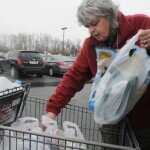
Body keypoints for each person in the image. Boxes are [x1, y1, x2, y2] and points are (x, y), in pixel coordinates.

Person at [46, 0, 150, 149]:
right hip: (110, 118)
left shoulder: (141, 24)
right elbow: (73, 77)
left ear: (109, 15)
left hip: (145, 118)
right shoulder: (91, 45)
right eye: (87, 26)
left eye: (94, 23)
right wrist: (52, 111)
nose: (91, 30)